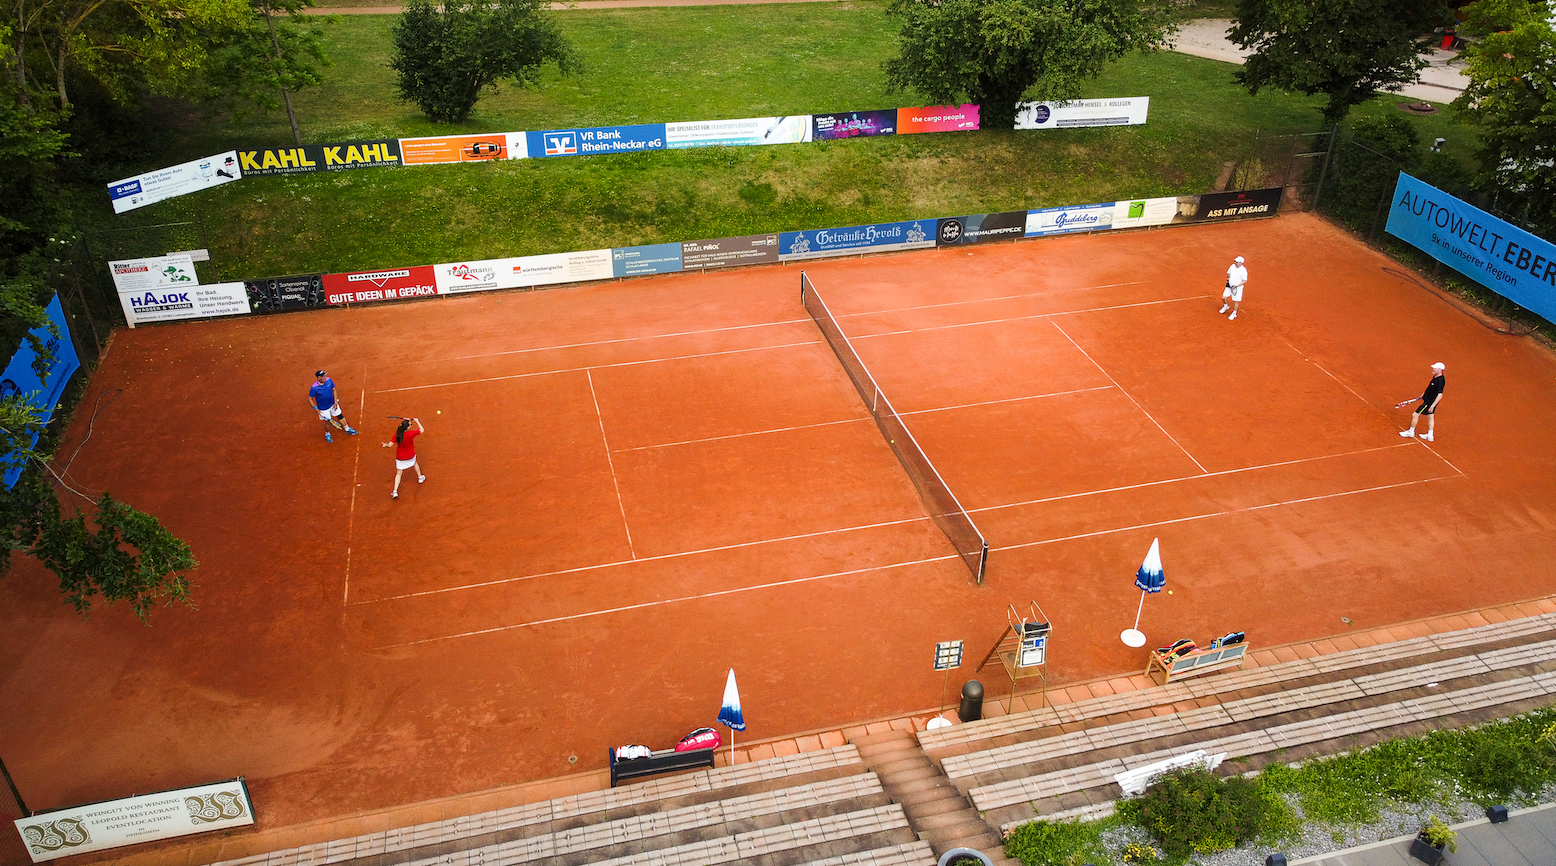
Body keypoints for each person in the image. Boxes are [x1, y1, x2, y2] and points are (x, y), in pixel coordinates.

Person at [1396, 362, 1446, 441]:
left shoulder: (1440, 380)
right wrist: (1424, 394)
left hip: (1429, 403)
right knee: (1430, 417)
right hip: (1428, 401)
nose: (1433, 369)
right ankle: (1430, 435)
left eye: (1435, 368)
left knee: (1415, 414)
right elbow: (1431, 388)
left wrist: (1432, 406)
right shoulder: (1436, 377)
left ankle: (1411, 432)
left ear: (1440, 370)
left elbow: (1440, 395)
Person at [308, 370, 358, 442]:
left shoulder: (329, 380)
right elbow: (310, 399)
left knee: (340, 415)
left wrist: (335, 402)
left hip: (332, 404)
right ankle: (327, 434)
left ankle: (347, 429)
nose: (324, 377)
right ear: (318, 378)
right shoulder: (314, 388)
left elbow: (334, 390)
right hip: (323, 408)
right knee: (328, 421)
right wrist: (316, 410)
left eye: (325, 375)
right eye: (322, 376)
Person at [382, 417, 426, 499]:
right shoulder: (411, 434)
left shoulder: (397, 434)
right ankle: (420, 477)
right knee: (415, 464)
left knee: (399, 473)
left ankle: (395, 491)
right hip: (410, 455)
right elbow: (422, 429)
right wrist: (417, 421)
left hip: (400, 457)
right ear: (408, 427)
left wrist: (385, 445)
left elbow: (389, 445)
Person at [1219, 256, 1248, 320]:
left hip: (1237, 288)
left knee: (1235, 301)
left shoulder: (1243, 271)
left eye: (1237, 262)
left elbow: (1244, 281)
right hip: (1229, 286)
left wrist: (1236, 286)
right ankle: (1226, 306)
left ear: (1241, 263)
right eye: (1235, 261)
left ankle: (1234, 313)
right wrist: (1228, 281)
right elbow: (1229, 274)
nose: (1235, 263)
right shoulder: (1232, 266)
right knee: (1224, 297)